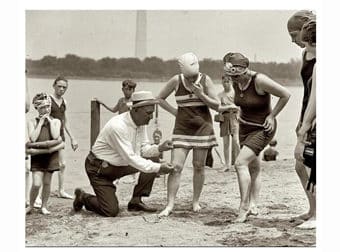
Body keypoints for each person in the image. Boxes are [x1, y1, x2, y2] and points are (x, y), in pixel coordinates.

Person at [72, 91, 174, 217]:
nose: (151, 117)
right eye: (149, 113)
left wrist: (160, 148)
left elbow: (144, 150)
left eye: (152, 113)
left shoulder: (140, 122)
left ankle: (136, 201)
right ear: (136, 110)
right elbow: (130, 157)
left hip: (119, 165)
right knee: (110, 211)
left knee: (153, 159)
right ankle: (83, 197)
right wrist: (159, 168)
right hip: (99, 169)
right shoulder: (117, 126)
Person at [223, 52, 291, 222]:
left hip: (263, 128)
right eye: (231, 76)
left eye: (237, 76)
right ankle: (254, 204)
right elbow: (242, 101)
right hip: (245, 127)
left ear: (245, 71)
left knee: (240, 163)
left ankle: (244, 206)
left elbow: (285, 94)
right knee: (254, 167)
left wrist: (272, 115)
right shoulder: (236, 82)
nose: (234, 80)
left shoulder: (259, 80)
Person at [157, 52, 220, 217]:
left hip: (202, 130)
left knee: (199, 166)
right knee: (175, 167)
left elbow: (217, 106)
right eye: (189, 78)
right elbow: (160, 99)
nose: (192, 80)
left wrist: (201, 95)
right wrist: (175, 112)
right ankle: (170, 204)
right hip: (182, 130)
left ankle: (195, 201)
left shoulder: (205, 80)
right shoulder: (176, 80)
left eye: (194, 77)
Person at [287, 10, 316, 226]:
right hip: (307, 110)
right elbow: (308, 91)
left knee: (310, 163)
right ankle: (314, 209)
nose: (292, 40)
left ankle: (319, 213)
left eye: (294, 34)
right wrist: (301, 121)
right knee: (301, 165)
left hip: (316, 114)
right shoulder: (305, 54)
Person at [26, 93, 64, 215]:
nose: (46, 109)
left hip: (51, 156)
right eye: (42, 107)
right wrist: (41, 123)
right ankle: (31, 205)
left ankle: (44, 205)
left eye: (48, 106)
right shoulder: (32, 121)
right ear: (37, 108)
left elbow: (56, 136)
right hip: (38, 156)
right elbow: (33, 138)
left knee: (47, 182)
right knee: (36, 183)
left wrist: (49, 122)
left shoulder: (56, 121)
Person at [95, 79, 138, 184]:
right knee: (117, 151)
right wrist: (102, 103)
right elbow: (113, 110)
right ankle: (116, 177)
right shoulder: (121, 100)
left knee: (130, 151)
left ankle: (133, 176)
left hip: (130, 129)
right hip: (119, 129)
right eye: (124, 89)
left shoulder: (135, 102)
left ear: (133, 90)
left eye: (128, 89)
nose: (126, 91)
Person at [50, 76, 78, 199]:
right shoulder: (48, 100)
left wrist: (73, 138)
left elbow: (65, 121)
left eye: (64, 87)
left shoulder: (64, 102)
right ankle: (39, 196)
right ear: (54, 86)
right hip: (49, 136)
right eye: (59, 86)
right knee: (46, 166)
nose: (61, 89)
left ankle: (61, 190)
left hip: (60, 137)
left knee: (62, 164)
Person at [215, 75, 240, 171]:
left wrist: (235, 108)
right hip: (224, 118)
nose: (226, 84)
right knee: (226, 143)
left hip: (235, 118)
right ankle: (227, 165)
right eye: (224, 82)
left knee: (236, 142)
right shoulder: (220, 95)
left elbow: (240, 106)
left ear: (231, 82)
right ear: (222, 83)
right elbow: (218, 107)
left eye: (228, 81)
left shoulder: (236, 93)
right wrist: (229, 107)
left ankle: (238, 164)